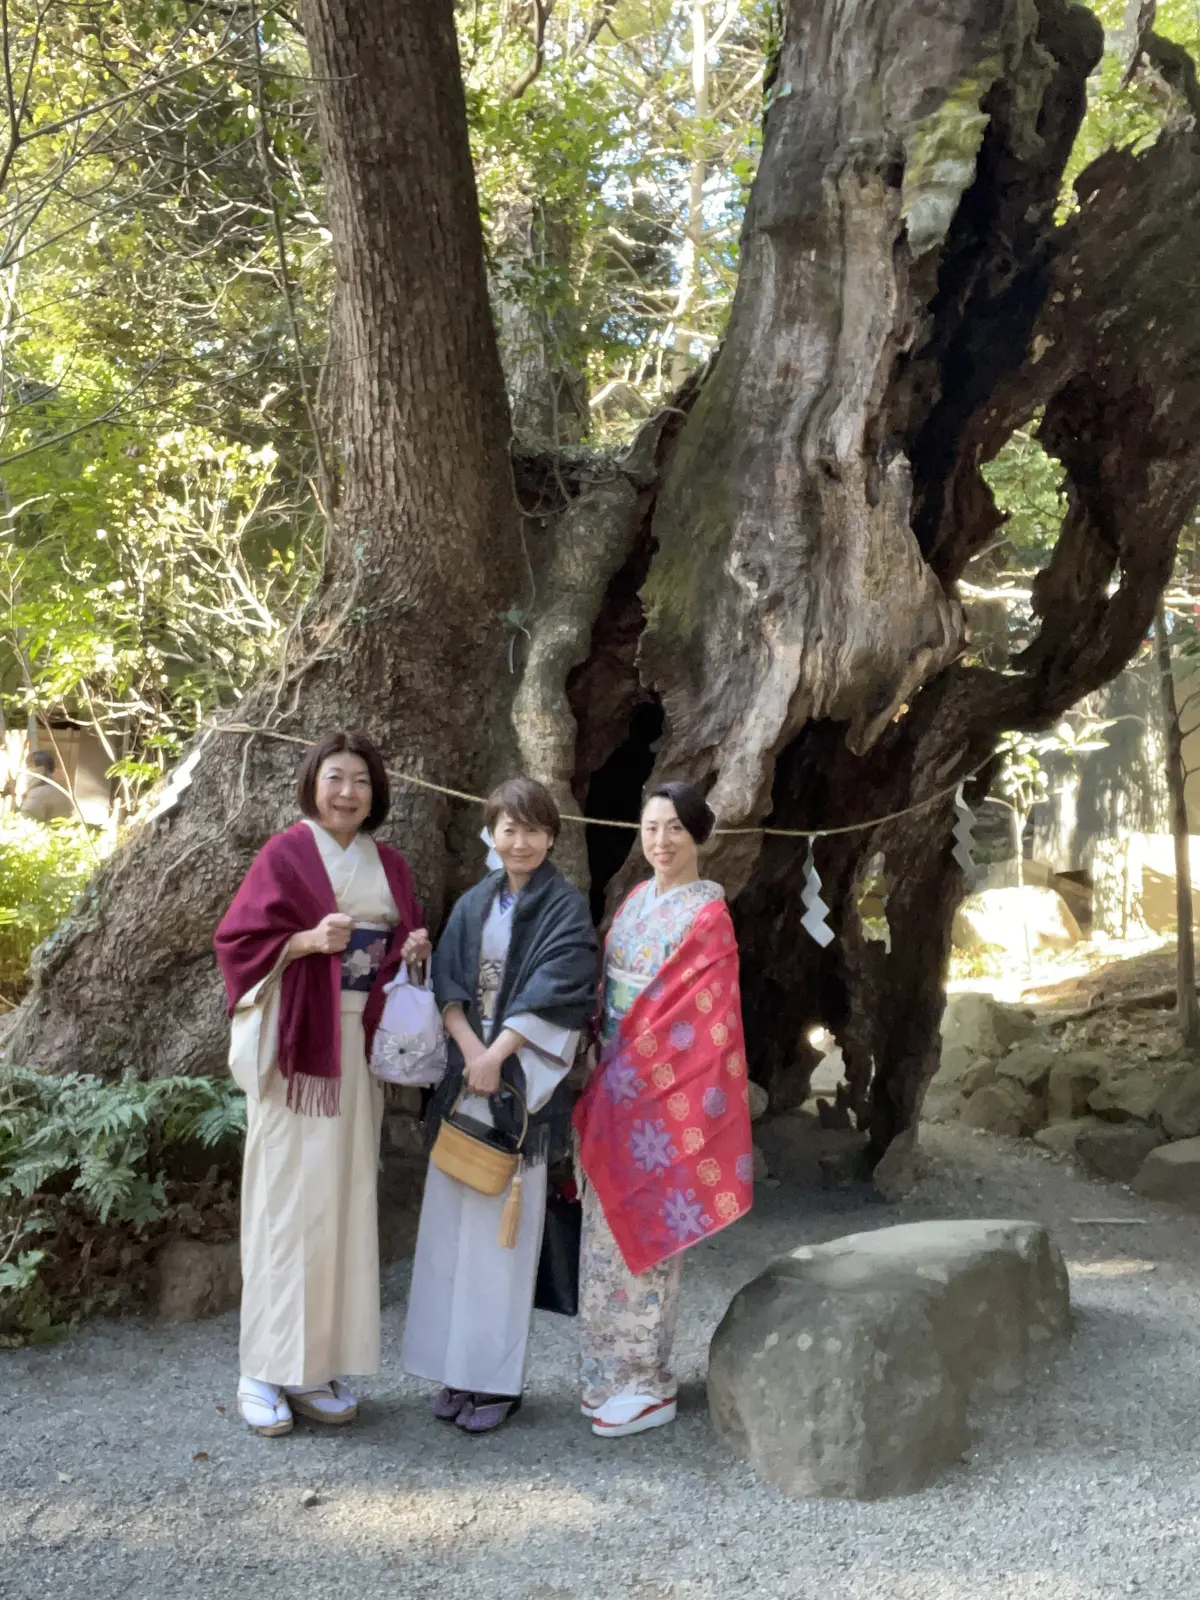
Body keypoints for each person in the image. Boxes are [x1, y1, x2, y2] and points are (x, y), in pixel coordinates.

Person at [214, 730, 430, 1437]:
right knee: (286, 1203)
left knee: (343, 1203)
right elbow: (238, 943)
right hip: (298, 1047)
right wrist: (304, 943)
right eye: (335, 777)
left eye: (361, 781)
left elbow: (398, 951)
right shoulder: (286, 853)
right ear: (312, 784)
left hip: (358, 1047)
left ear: (376, 793)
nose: (347, 792)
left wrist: (412, 952)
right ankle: (263, 1366)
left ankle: (315, 1367)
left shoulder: (389, 864)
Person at [402, 777, 598, 1434]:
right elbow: (453, 981)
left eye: (533, 829)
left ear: (551, 836)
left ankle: (496, 1382)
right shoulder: (474, 903)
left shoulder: (566, 910)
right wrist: (468, 1048)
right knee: (452, 1237)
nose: (520, 841)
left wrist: (498, 1053)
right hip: (466, 1083)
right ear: (492, 833)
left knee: (500, 1247)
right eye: (507, 828)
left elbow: (560, 989)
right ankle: (454, 1371)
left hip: (518, 1091)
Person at [574, 781, 753, 1439]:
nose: (661, 841)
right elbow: (606, 988)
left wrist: (635, 1071)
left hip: (658, 1095)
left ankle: (646, 1379)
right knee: (603, 1235)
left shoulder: (708, 918)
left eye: (675, 828)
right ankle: (605, 1371)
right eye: (651, 828)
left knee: (645, 1235)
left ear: (697, 834)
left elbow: (701, 1018)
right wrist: (600, 1059)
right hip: (613, 1081)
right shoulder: (634, 902)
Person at [18, 749, 73, 822]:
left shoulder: (37, 794)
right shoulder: (58, 790)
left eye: (29, 766)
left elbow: (26, 820)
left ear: (41, 770)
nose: (26, 770)